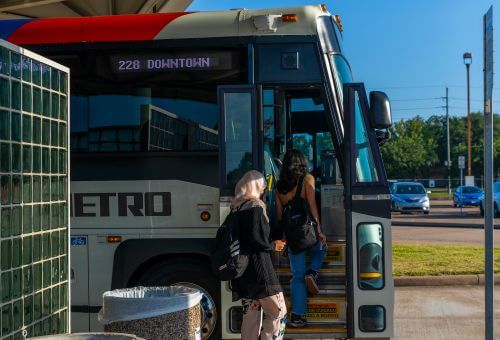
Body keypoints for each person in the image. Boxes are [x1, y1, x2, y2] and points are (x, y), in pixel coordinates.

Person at [230, 170, 287, 340]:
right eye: (261, 186)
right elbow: (258, 239)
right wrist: (273, 244)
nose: (262, 190)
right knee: (279, 312)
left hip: (245, 273)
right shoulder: (255, 206)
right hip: (261, 271)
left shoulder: (236, 207)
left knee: (252, 314)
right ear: (253, 185)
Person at [275, 149, 327, 328]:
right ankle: (312, 271)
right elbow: (312, 206)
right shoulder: (307, 179)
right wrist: (319, 229)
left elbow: (280, 216)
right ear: (302, 163)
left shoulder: (279, 186)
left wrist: (284, 237)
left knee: (297, 276)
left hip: (292, 236)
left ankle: (297, 316)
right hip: (307, 232)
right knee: (321, 247)